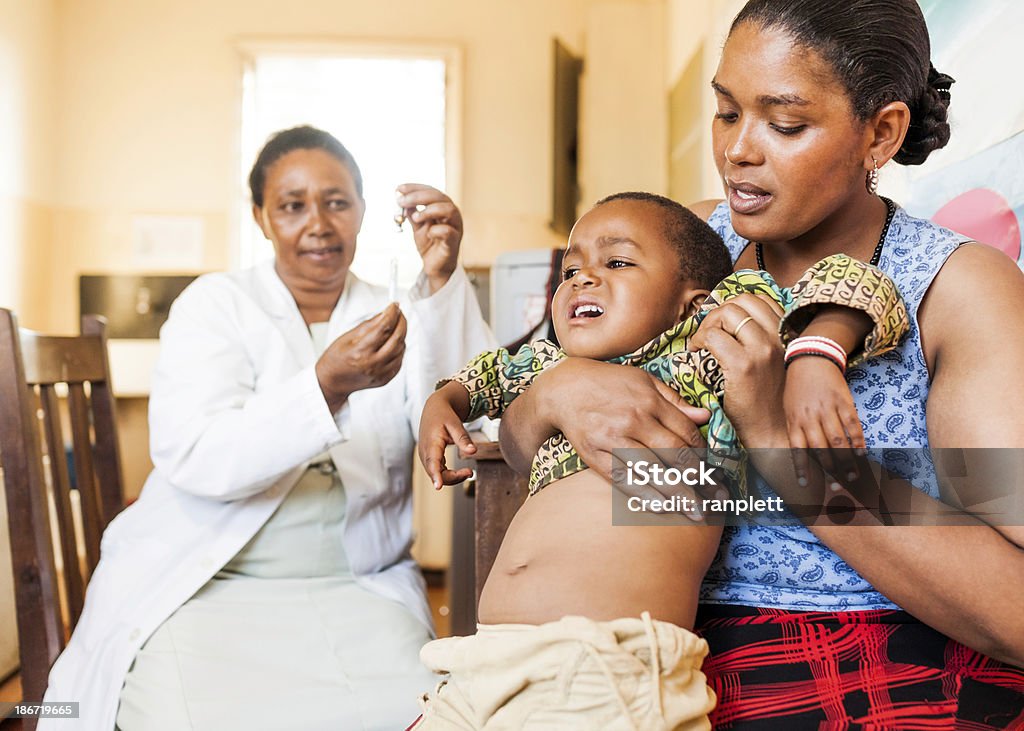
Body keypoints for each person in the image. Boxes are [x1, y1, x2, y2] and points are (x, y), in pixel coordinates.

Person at [498, 1, 1024, 728]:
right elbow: (533, 455)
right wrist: (553, 394)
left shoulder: (954, 291)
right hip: (631, 648)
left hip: (872, 663)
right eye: (725, 112)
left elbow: (1017, 608)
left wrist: (783, 448)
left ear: (882, 132)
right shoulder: (678, 245)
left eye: (784, 124)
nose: (739, 150)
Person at [40, 125, 493, 730]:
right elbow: (198, 456)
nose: (318, 223)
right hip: (206, 585)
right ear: (259, 216)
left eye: (337, 202)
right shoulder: (214, 306)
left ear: (362, 212)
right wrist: (323, 387)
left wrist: (440, 282)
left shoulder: (399, 308)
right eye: (291, 205)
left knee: (425, 716)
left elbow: (479, 425)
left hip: (357, 589)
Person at [411, 192, 910, 730]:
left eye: (617, 262)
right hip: (481, 660)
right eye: (571, 269)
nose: (582, 278)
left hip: (601, 661)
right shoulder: (550, 366)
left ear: (691, 303)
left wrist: (817, 353)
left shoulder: (705, 357)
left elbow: (858, 281)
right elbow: (487, 376)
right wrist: (444, 402)